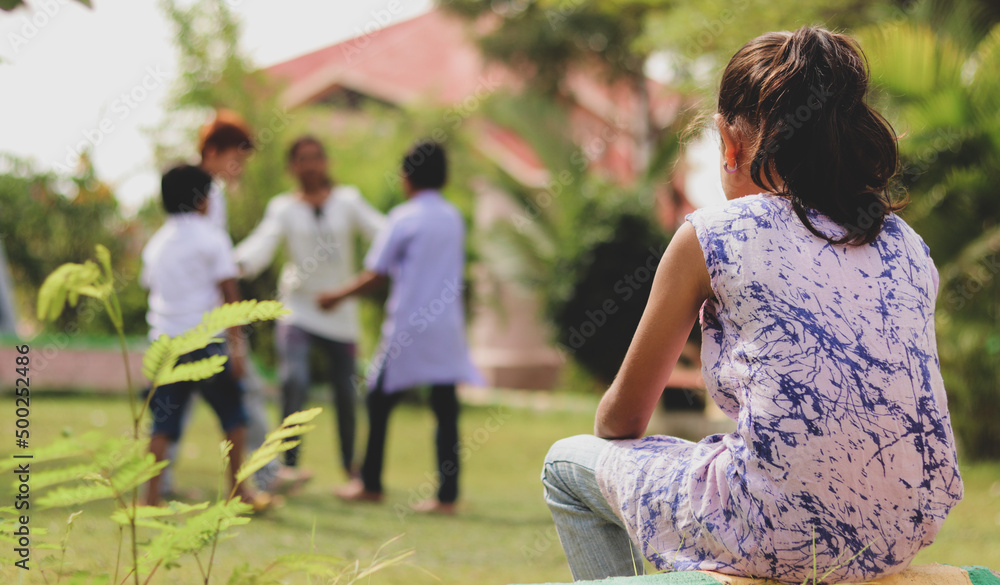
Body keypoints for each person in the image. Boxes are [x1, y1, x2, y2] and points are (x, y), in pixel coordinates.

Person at [541, 26, 964, 583]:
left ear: (729, 142)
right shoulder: (906, 245)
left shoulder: (712, 235)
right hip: (904, 529)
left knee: (565, 465)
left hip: (771, 528)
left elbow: (622, 419)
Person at [321, 140, 483, 515]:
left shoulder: (403, 217)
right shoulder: (453, 217)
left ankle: (371, 482)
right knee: (445, 408)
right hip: (446, 327)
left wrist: (337, 296)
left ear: (407, 176)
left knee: (379, 400)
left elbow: (377, 273)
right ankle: (447, 495)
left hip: (409, 326)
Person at [234, 136, 385, 484]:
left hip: (341, 309)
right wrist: (233, 263)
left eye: (317, 157)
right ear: (292, 166)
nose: (311, 165)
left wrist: (410, 240)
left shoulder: (348, 201)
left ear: (326, 162)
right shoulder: (283, 208)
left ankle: (351, 468)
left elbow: (384, 233)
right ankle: (289, 464)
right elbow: (262, 244)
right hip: (299, 308)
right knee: (294, 380)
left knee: (346, 392)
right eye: (302, 159)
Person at [141, 164, 263, 508]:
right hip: (206, 341)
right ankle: (239, 491)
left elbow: (150, 286)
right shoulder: (213, 238)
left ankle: (150, 498)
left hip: (165, 343)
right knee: (233, 416)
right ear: (201, 200)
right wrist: (237, 346)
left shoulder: (157, 243)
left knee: (162, 423)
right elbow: (230, 293)